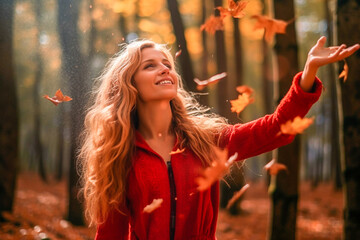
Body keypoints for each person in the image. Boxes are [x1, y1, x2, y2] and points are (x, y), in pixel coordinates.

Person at [79, 36, 359, 240]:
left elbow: (275, 128)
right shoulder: (119, 155)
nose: (165, 68)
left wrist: (308, 72)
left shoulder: (206, 141)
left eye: (167, 63)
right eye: (150, 66)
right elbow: (111, 234)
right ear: (130, 84)